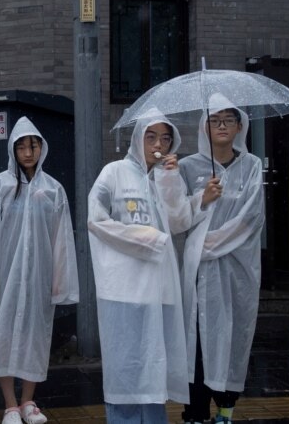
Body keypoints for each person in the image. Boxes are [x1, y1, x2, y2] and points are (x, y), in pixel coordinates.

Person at [88, 109, 202, 423]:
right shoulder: (113, 173)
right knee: (124, 368)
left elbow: (179, 222)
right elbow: (96, 221)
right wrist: (148, 238)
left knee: (154, 367)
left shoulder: (168, 176)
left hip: (161, 288)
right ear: (138, 138)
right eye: (151, 136)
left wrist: (170, 180)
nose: (158, 144)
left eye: (166, 138)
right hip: (122, 289)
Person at [0, 117, 79, 424]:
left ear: (41, 148)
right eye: (21, 146)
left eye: (32, 145)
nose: (27, 152)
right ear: (13, 150)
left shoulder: (52, 190)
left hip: (38, 277)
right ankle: (9, 404)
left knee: (35, 336)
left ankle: (28, 402)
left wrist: (59, 279)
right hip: (5, 276)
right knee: (2, 335)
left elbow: (62, 238)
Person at [176, 94, 265, 424]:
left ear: (240, 126)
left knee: (233, 335)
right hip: (198, 274)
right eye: (215, 120)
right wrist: (202, 198)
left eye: (229, 119)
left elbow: (251, 217)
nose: (223, 126)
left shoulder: (251, 166)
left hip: (237, 270)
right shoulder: (188, 167)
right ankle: (195, 413)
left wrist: (206, 244)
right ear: (204, 127)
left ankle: (226, 409)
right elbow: (176, 219)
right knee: (196, 341)